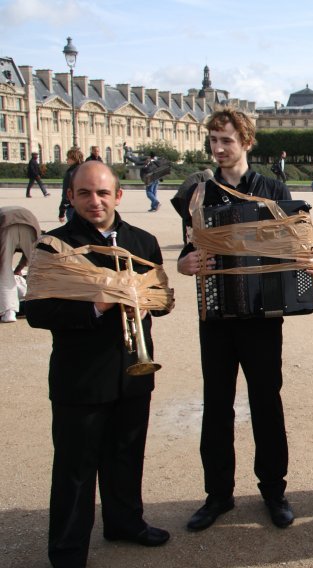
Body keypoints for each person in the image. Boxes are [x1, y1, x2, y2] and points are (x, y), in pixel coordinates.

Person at [26, 161, 172, 567]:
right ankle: (68, 549)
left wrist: (148, 300)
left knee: (127, 453)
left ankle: (125, 522)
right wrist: (98, 304)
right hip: (82, 377)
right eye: (85, 193)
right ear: (70, 196)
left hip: (132, 369)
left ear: (118, 195)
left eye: (103, 193)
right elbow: (38, 313)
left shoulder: (142, 242)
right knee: (75, 467)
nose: (95, 201)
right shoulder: (54, 246)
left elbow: (160, 303)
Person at [177, 109, 298, 532]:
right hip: (216, 315)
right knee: (217, 407)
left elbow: (296, 249)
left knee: (267, 403)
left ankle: (274, 491)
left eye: (226, 140)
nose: (218, 149)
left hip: (262, 316)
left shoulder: (273, 189)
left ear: (246, 141)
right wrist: (185, 263)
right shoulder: (197, 193)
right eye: (213, 140)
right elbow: (186, 250)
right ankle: (218, 495)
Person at [0, 206, 40, 323]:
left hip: (4, 224)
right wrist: (20, 267)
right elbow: (29, 255)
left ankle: (9, 312)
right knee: (39, 266)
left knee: (4, 270)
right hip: (29, 222)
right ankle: (44, 305)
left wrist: (16, 267)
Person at [59, 147, 84, 223]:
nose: (66, 160)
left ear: (74, 159)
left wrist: (62, 212)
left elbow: (66, 194)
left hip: (73, 207)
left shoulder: (70, 174)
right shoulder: (85, 171)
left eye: (68, 158)